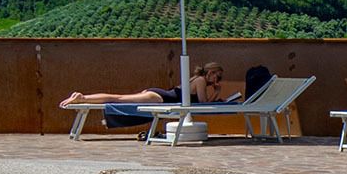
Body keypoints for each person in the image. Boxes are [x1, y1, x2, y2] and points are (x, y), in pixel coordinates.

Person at [59, 63, 243, 109]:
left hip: (161, 95)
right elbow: (203, 103)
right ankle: (82, 97)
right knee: (118, 98)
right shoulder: (201, 81)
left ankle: (83, 97)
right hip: (161, 98)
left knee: (120, 98)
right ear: (211, 73)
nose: (218, 79)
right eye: (218, 76)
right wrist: (217, 92)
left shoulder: (195, 79)